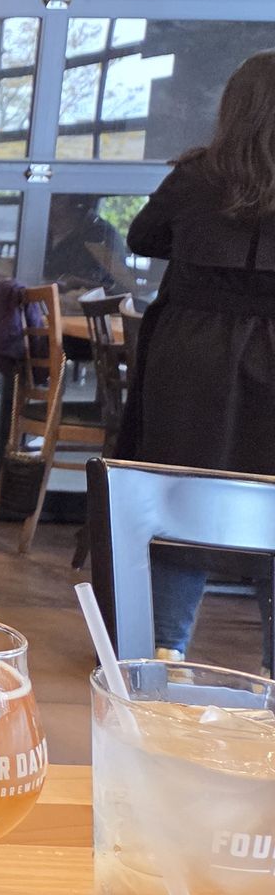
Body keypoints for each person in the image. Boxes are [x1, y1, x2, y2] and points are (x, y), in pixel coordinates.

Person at [116, 49, 275, 675]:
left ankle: (166, 651)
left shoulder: (198, 175)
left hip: (193, 353)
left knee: (182, 493)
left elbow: (143, 237)